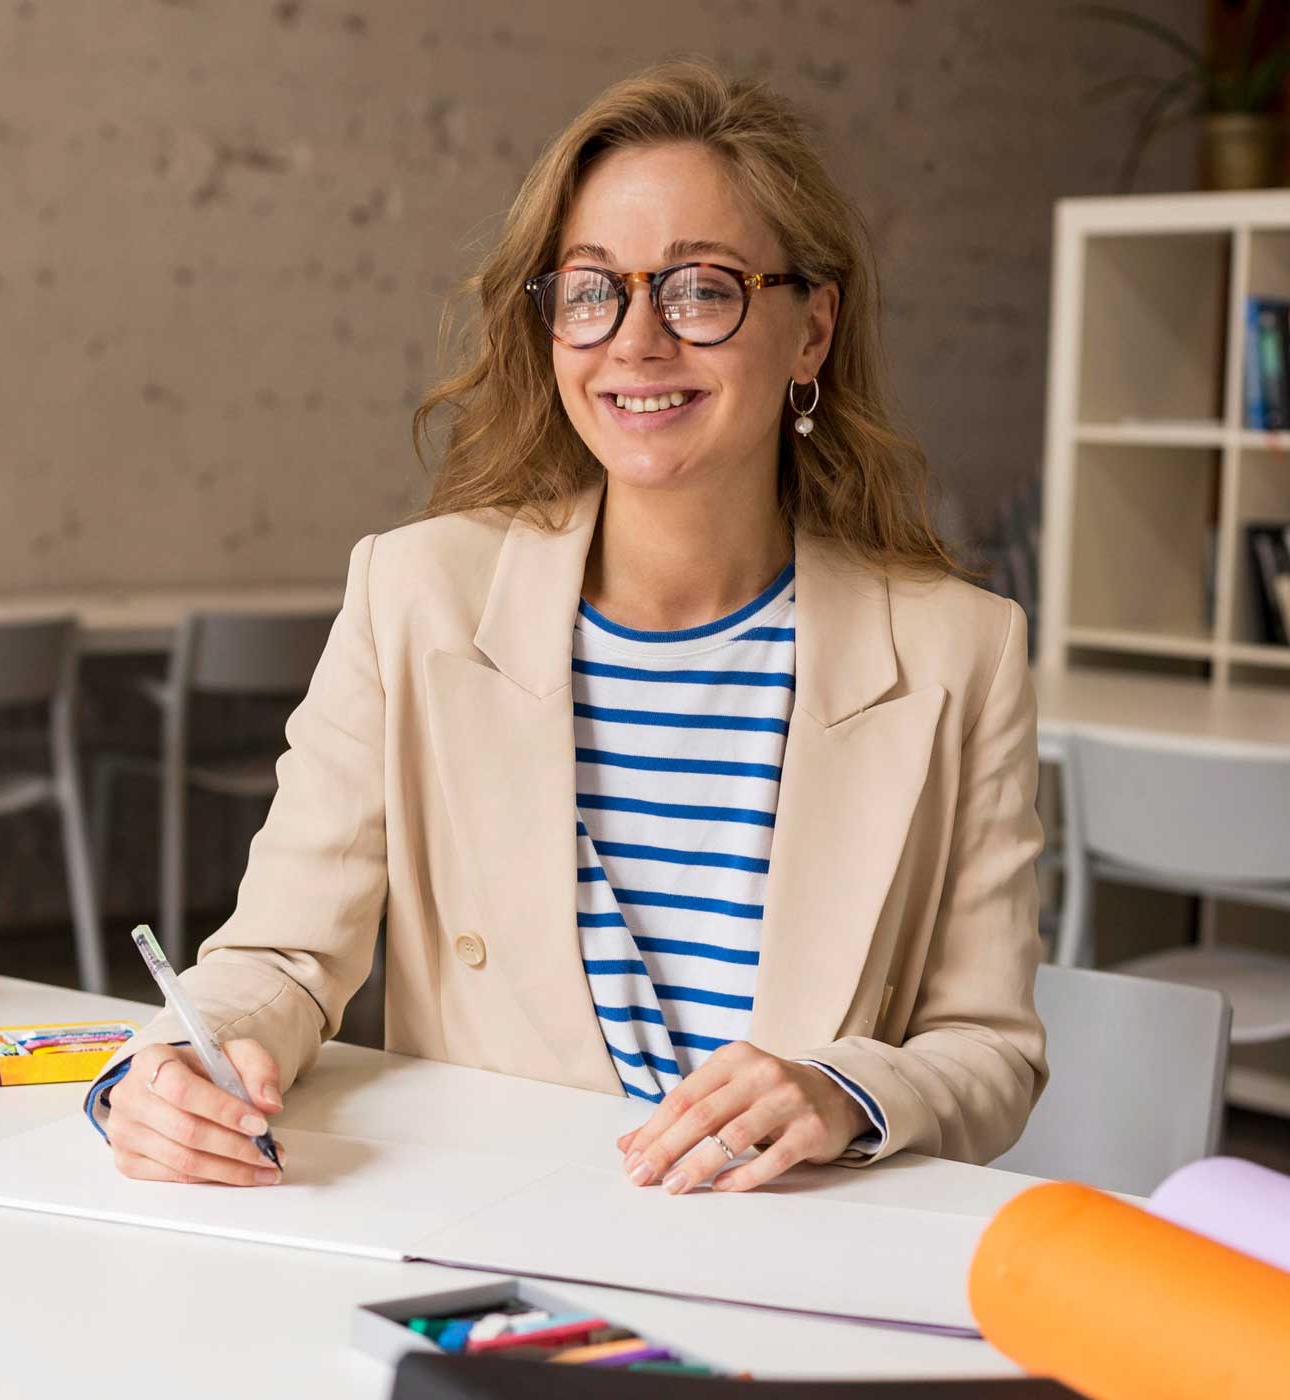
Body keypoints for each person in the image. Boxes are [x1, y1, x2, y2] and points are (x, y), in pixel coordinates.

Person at [85, 59, 1047, 1195]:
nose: (635, 341)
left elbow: (990, 1046)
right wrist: (167, 1071)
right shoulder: (415, 594)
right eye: (591, 290)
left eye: (699, 287)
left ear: (810, 331)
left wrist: (846, 1090)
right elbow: (280, 957)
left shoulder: (958, 650)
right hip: (495, 1234)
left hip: (792, 1246)